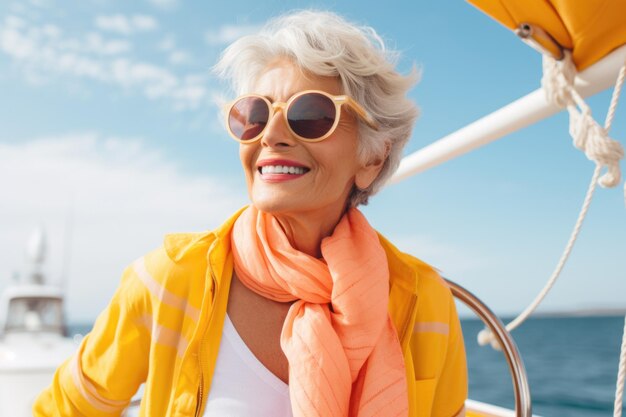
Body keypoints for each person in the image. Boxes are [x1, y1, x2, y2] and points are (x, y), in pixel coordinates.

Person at [34, 10, 467, 417]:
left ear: (372, 157)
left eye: (311, 115)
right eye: (255, 115)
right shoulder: (169, 278)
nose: (273, 134)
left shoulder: (425, 299)